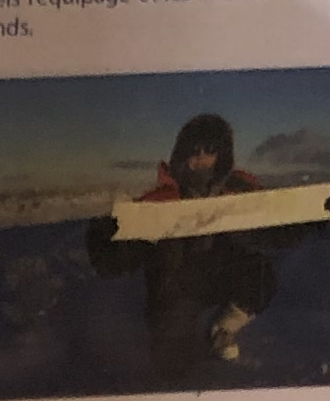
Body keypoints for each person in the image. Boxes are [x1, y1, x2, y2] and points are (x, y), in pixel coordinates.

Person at [86, 109, 299, 381]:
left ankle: (223, 330)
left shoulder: (239, 189)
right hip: (177, 284)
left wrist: (306, 221)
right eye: (193, 149)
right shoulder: (163, 198)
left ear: (221, 153)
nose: (200, 156)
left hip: (223, 271)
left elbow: (275, 226)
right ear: (182, 153)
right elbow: (123, 250)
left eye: (209, 149)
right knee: (173, 370)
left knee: (259, 276)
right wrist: (106, 238)